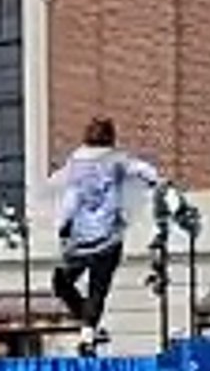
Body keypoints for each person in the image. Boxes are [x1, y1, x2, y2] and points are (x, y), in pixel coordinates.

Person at [50, 116, 164, 355]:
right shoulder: (116, 160)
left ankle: (88, 327)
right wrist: (157, 181)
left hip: (80, 240)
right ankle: (88, 331)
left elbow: (70, 200)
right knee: (98, 290)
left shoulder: (76, 162)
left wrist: (62, 225)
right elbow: (144, 170)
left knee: (61, 282)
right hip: (110, 238)